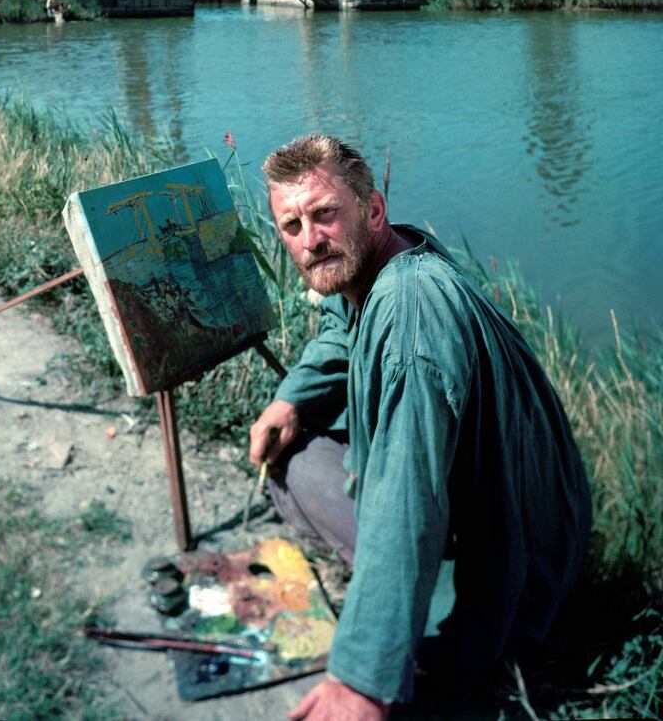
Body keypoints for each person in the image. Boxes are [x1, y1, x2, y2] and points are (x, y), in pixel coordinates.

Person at [249, 134, 592, 719]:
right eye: (292, 226)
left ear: (373, 210)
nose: (311, 239)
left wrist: (361, 681)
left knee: (297, 468)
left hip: (513, 587)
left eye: (325, 214)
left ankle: (428, 633)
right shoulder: (393, 255)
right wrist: (292, 400)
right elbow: (341, 327)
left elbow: (405, 498)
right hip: (544, 537)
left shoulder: (410, 312)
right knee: (304, 439)